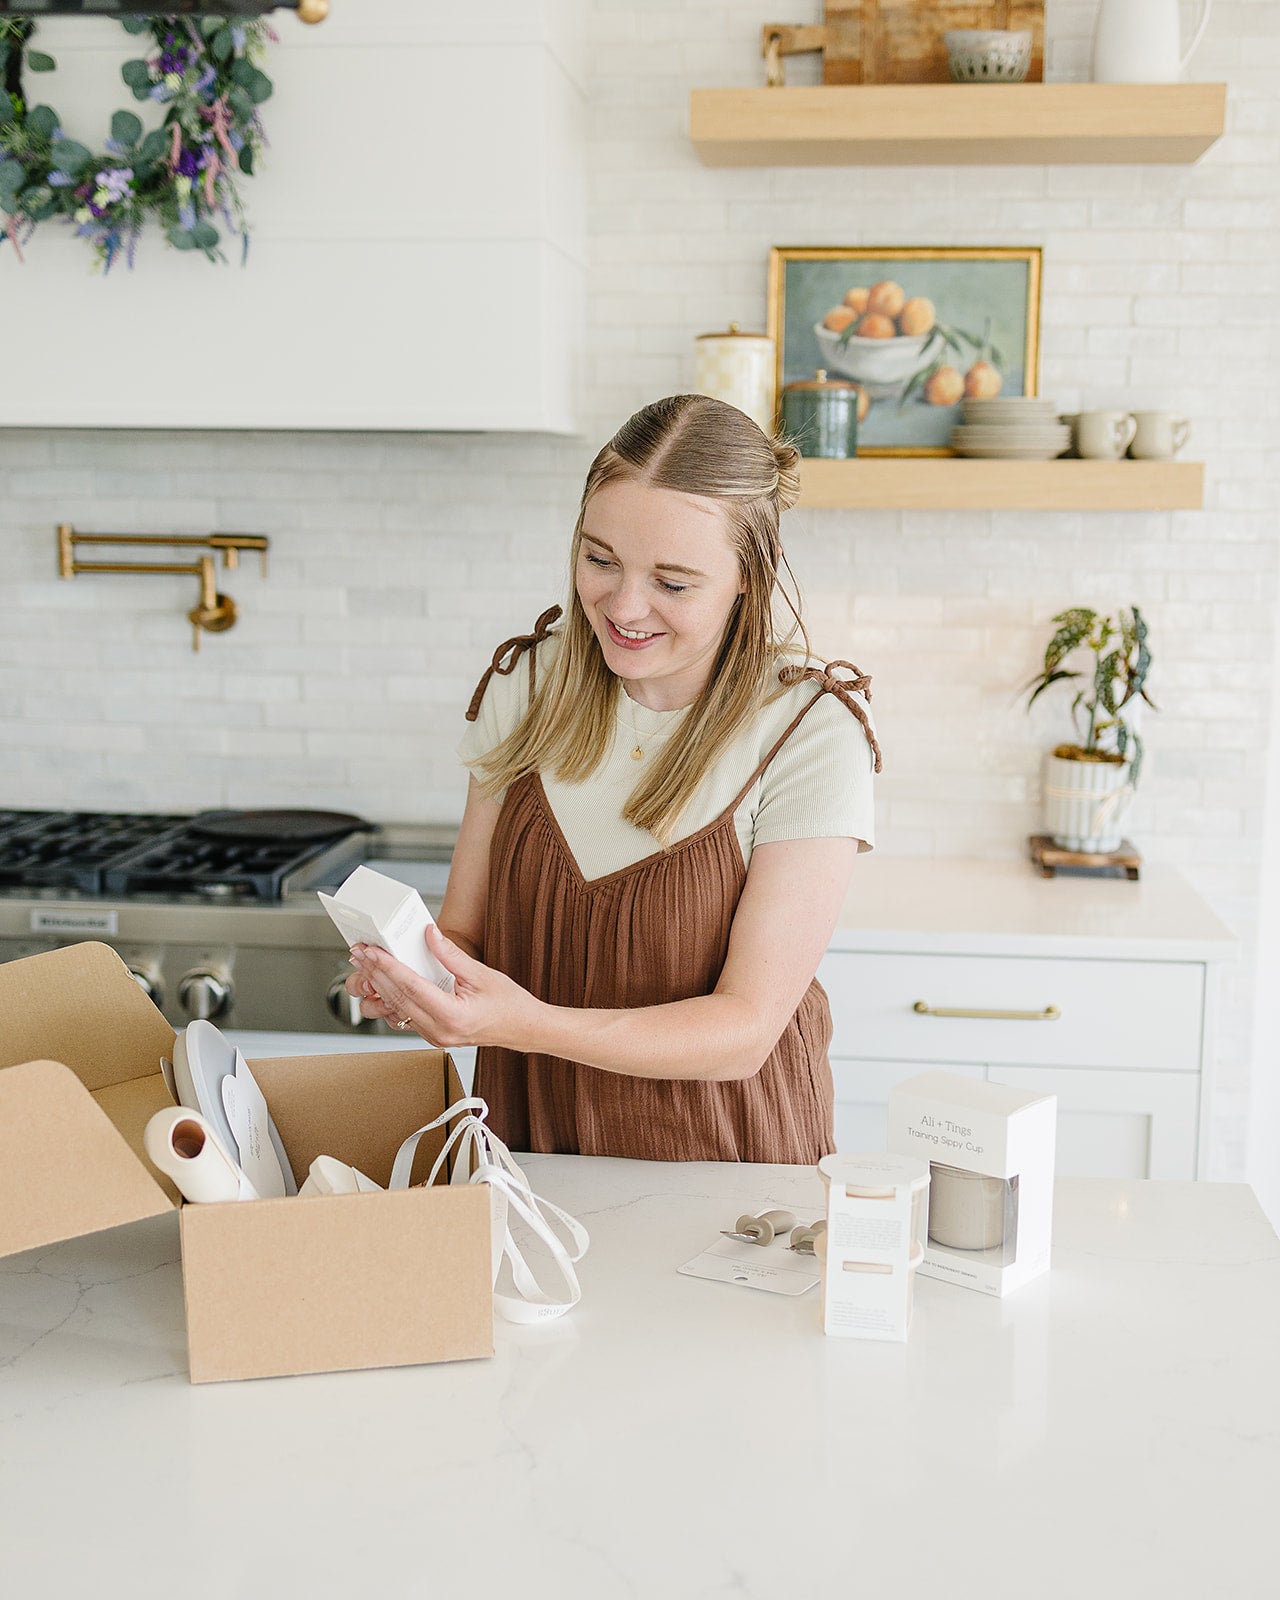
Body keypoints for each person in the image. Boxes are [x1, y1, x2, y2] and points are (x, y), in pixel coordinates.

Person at [347, 393, 881, 1163]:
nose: (623, 607)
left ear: (746, 579)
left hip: (727, 1178)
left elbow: (744, 1031)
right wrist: (416, 978)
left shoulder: (807, 733)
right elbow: (466, 932)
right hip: (535, 1157)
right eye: (599, 560)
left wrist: (515, 1025)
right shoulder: (527, 685)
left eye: (673, 581)